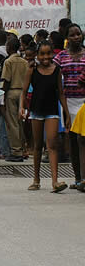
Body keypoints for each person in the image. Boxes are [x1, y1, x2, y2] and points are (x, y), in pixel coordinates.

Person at [20, 40, 71, 192]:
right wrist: (21, 107)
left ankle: (55, 181)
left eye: (48, 53)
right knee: (37, 146)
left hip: (52, 111)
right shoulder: (32, 70)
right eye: (42, 54)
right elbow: (23, 91)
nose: (45, 57)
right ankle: (36, 179)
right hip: (36, 111)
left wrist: (67, 114)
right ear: (37, 55)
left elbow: (61, 93)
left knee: (52, 144)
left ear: (53, 54)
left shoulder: (57, 70)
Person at [53, 23, 85, 190]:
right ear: (67, 38)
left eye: (78, 34)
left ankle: (84, 178)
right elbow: (50, 69)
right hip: (68, 102)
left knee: (83, 140)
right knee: (72, 141)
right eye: (72, 35)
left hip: (84, 102)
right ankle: (78, 178)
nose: (76, 37)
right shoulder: (62, 57)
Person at [0, 37, 29, 163]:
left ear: (9, 48)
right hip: (22, 92)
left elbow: (6, 80)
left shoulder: (8, 62)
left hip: (11, 92)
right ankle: (22, 149)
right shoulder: (24, 62)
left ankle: (16, 151)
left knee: (12, 123)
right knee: (20, 122)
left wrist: (3, 95)